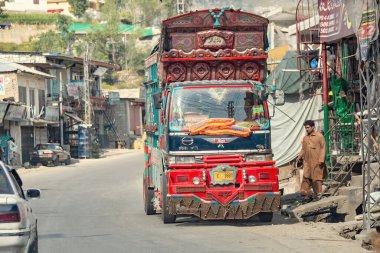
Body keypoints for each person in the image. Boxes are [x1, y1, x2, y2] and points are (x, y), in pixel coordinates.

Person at [296, 120, 327, 202]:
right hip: (307, 162)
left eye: (308, 127)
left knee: (316, 179)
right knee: (306, 178)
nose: (306, 129)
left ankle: (318, 195)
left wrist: (321, 159)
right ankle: (306, 195)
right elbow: (303, 149)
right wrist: (299, 157)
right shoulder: (305, 138)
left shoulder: (319, 136)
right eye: (305, 128)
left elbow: (323, 148)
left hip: (317, 162)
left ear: (313, 127)